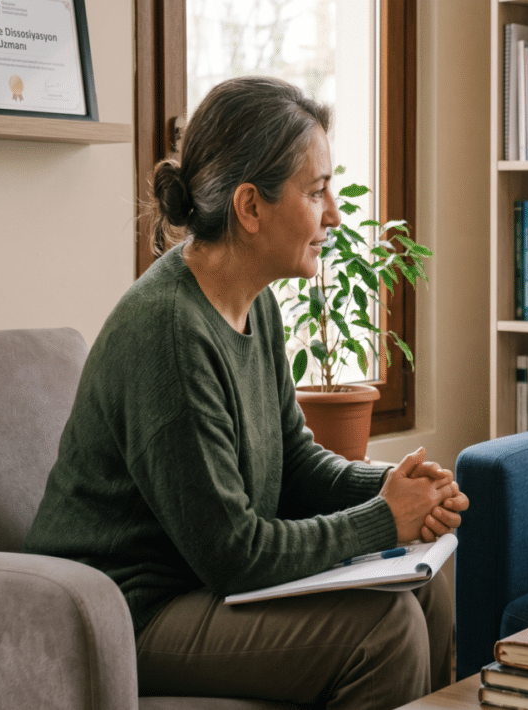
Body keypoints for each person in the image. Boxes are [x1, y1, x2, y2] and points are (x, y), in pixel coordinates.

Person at [23, 75, 468, 708]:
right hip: (126, 613)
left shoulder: (255, 306)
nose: (335, 214)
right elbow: (235, 553)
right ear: (250, 207)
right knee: (384, 631)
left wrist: (398, 488)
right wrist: (382, 519)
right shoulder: (168, 332)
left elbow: (293, 463)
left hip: (195, 584)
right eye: (317, 192)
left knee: (428, 585)